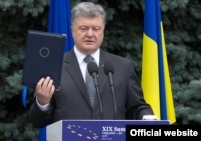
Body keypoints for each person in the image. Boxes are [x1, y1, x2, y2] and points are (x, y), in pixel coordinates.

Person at [28, 2, 156, 128]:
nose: (90, 34)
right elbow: (37, 122)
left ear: (103, 30)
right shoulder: (53, 66)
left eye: (96, 29)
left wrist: (147, 117)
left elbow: (138, 107)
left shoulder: (123, 67)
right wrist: (42, 102)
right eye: (83, 28)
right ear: (72, 30)